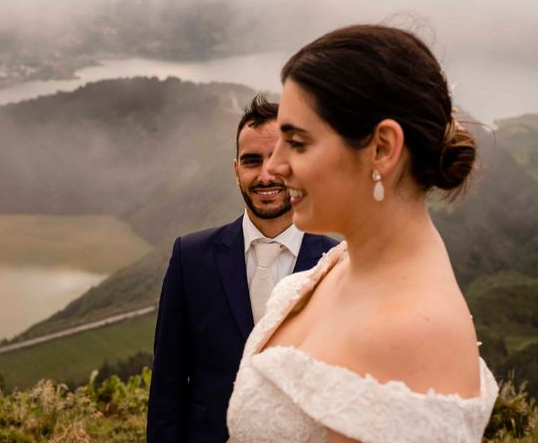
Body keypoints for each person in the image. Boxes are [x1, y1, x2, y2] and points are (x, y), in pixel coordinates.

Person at [227, 25, 499, 443]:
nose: (276, 167)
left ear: (382, 148)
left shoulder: (414, 335)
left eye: (297, 142)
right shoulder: (343, 260)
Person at [147, 94, 338, 443]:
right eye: (252, 161)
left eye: (279, 159)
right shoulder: (190, 257)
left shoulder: (336, 265)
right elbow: (167, 384)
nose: (266, 174)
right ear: (237, 171)